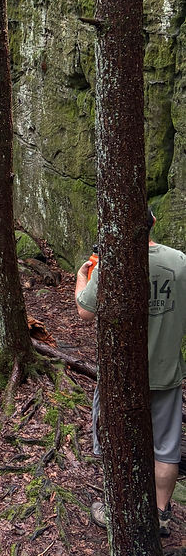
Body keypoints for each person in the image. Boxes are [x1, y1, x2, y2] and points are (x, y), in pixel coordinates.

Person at [75, 210, 186, 537]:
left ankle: (117, 511)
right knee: (165, 447)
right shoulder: (180, 262)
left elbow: (84, 310)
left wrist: (82, 276)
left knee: (115, 440)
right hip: (166, 372)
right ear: (153, 224)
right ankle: (160, 514)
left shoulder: (110, 265)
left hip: (120, 376)